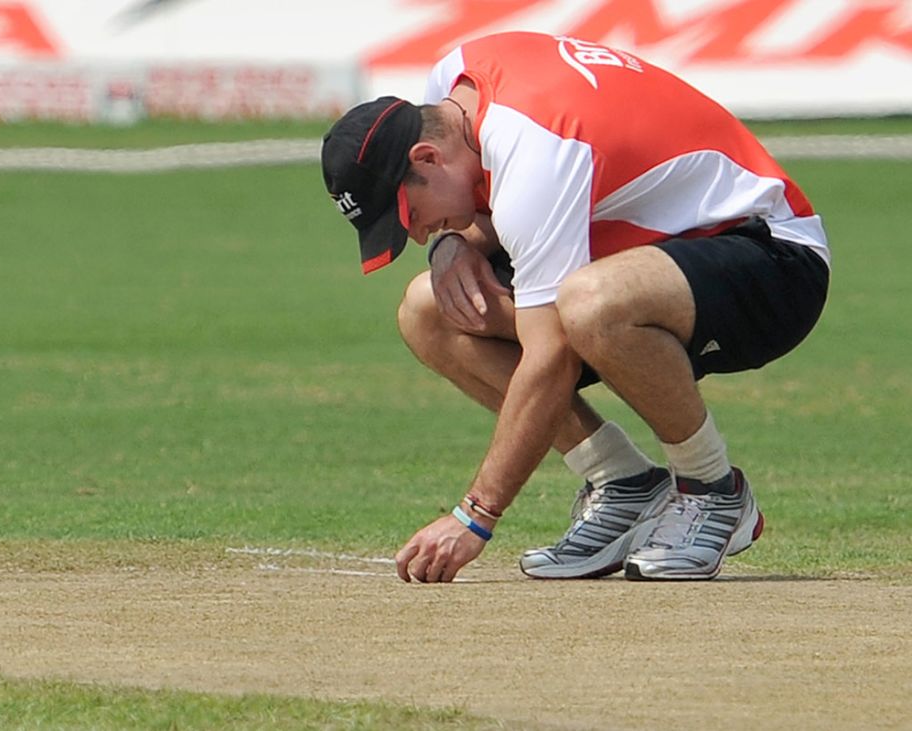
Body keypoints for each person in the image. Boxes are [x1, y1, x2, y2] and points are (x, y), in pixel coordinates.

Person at [319, 31, 830, 582]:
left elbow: (552, 356)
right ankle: (624, 484)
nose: (415, 236)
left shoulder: (534, 147)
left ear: (427, 157)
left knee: (589, 307)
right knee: (428, 308)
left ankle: (712, 489)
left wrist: (475, 517)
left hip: (772, 256)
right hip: (645, 258)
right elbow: (494, 206)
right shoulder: (452, 87)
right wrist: (452, 243)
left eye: (408, 216)